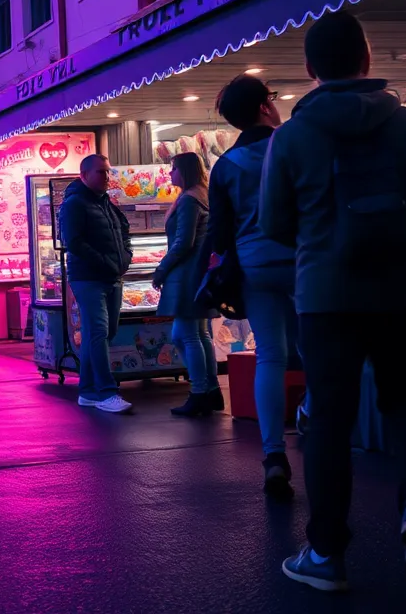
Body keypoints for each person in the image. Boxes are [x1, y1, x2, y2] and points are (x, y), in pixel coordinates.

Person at [262, 11, 406, 591]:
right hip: (405, 289)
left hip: (326, 297)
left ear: (309, 69)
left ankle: (326, 553)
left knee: (329, 419)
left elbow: (274, 223)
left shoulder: (292, 136)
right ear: (368, 59)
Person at [208, 74, 301, 497]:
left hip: (255, 265)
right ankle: (315, 420)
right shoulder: (296, 145)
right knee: (319, 350)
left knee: (271, 356)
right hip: (306, 261)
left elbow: (220, 235)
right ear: (266, 106)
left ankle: (274, 455)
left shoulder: (226, 166)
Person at [59, 154, 134, 414]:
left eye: (107, 172)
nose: (106, 177)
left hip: (111, 276)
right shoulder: (74, 205)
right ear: (84, 175)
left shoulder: (106, 203)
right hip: (88, 278)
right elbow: (75, 242)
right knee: (99, 332)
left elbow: (122, 232)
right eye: (101, 172)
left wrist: (126, 257)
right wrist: (105, 261)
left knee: (103, 333)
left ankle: (88, 390)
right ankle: (106, 392)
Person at [152, 152, 219, 417]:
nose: (170, 174)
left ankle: (200, 392)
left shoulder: (190, 199)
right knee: (200, 334)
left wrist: (161, 269)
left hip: (187, 274)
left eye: (173, 169)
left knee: (184, 335)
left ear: (185, 171)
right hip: (199, 272)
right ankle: (211, 390)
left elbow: (183, 242)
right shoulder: (201, 195)